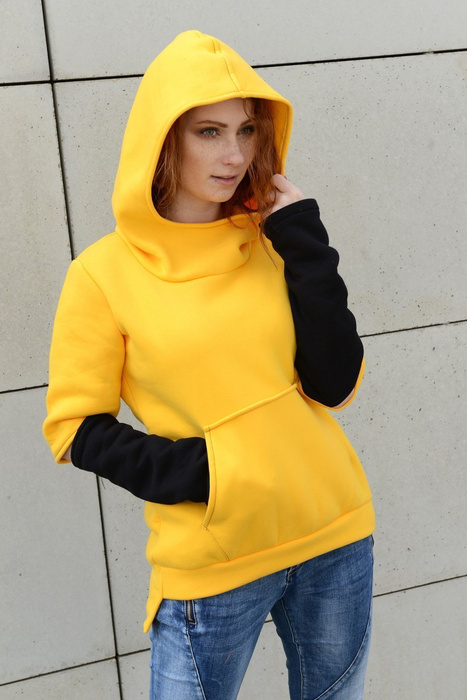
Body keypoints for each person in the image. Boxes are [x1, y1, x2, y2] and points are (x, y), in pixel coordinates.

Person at [43, 30, 375, 700]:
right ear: (163, 139)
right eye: (209, 132)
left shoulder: (272, 240)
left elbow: (335, 383)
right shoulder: (102, 275)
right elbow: (73, 429)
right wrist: (211, 475)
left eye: (247, 130)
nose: (234, 155)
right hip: (213, 564)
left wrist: (305, 243)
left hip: (334, 536)